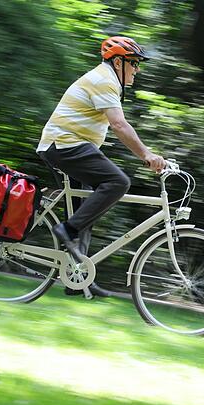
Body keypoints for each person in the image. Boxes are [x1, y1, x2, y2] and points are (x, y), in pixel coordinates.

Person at [36, 36, 166, 296]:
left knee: (88, 209)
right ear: (118, 62)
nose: (137, 70)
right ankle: (67, 229)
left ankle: (78, 278)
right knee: (118, 182)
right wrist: (146, 154)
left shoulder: (108, 80)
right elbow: (119, 125)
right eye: (134, 63)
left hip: (67, 145)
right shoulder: (104, 80)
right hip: (64, 144)